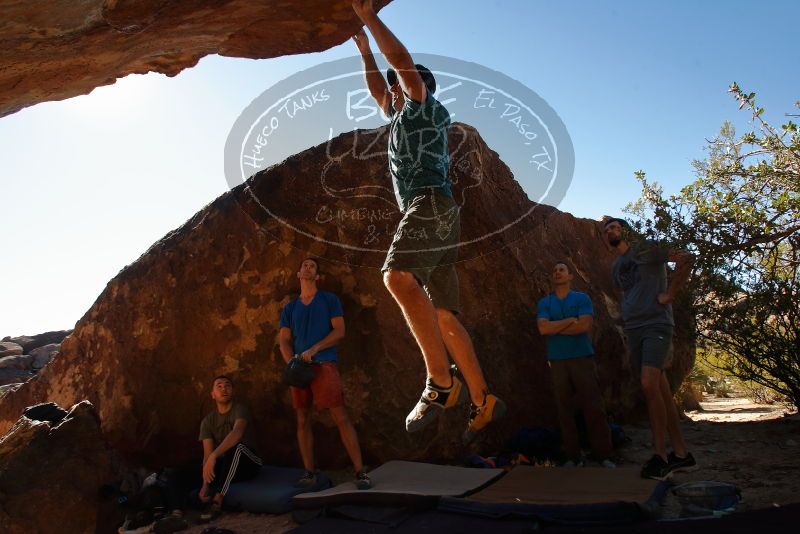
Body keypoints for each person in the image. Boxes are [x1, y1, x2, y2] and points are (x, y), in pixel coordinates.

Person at [351, 0, 505, 443]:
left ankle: (440, 382)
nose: (390, 92)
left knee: (397, 278)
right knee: (444, 315)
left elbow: (399, 64)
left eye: (397, 85)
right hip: (442, 215)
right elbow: (377, 91)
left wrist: (370, 18)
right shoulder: (399, 113)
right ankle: (482, 397)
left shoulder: (423, 105)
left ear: (415, 85)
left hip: (430, 204)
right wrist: (363, 52)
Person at [604, 217, 698, 479]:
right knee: (660, 388)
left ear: (625, 231)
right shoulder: (616, 267)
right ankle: (682, 454)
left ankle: (660, 455)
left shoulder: (646, 250)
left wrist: (670, 293)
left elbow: (686, 258)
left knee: (648, 384)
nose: (610, 231)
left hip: (656, 325)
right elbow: (620, 293)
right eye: (606, 229)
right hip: (634, 329)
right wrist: (626, 313)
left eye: (614, 227)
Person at [279, 258, 371, 490]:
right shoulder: (290, 308)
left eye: (313, 266)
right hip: (299, 369)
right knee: (302, 418)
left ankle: (361, 471)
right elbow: (284, 340)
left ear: (317, 276)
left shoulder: (329, 299)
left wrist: (315, 348)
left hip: (325, 364)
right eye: (305, 265)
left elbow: (340, 331)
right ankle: (309, 472)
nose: (308, 268)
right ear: (298, 274)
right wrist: (291, 363)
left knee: (340, 416)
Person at [537, 262, 615, 467]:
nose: (557, 273)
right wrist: (570, 321)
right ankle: (573, 456)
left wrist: (558, 327)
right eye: (554, 270)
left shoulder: (581, 298)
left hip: (582, 357)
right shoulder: (545, 303)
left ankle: (604, 455)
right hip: (557, 360)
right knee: (564, 408)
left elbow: (585, 325)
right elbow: (543, 328)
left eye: (562, 270)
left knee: (593, 406)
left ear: (571, 276)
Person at [198, 375, 262, 521]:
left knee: (236, 448)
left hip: (250, 464)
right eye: (219, 386)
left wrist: (214, 456)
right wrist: (205, 485)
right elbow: (207, 456)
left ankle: (218, 500)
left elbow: (237, 433)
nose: (224, 389)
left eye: (227, 386)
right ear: (213, 394)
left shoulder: (240, 410)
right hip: (230, 468)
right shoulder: (207, 421)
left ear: (232, 391)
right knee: (201, 465)